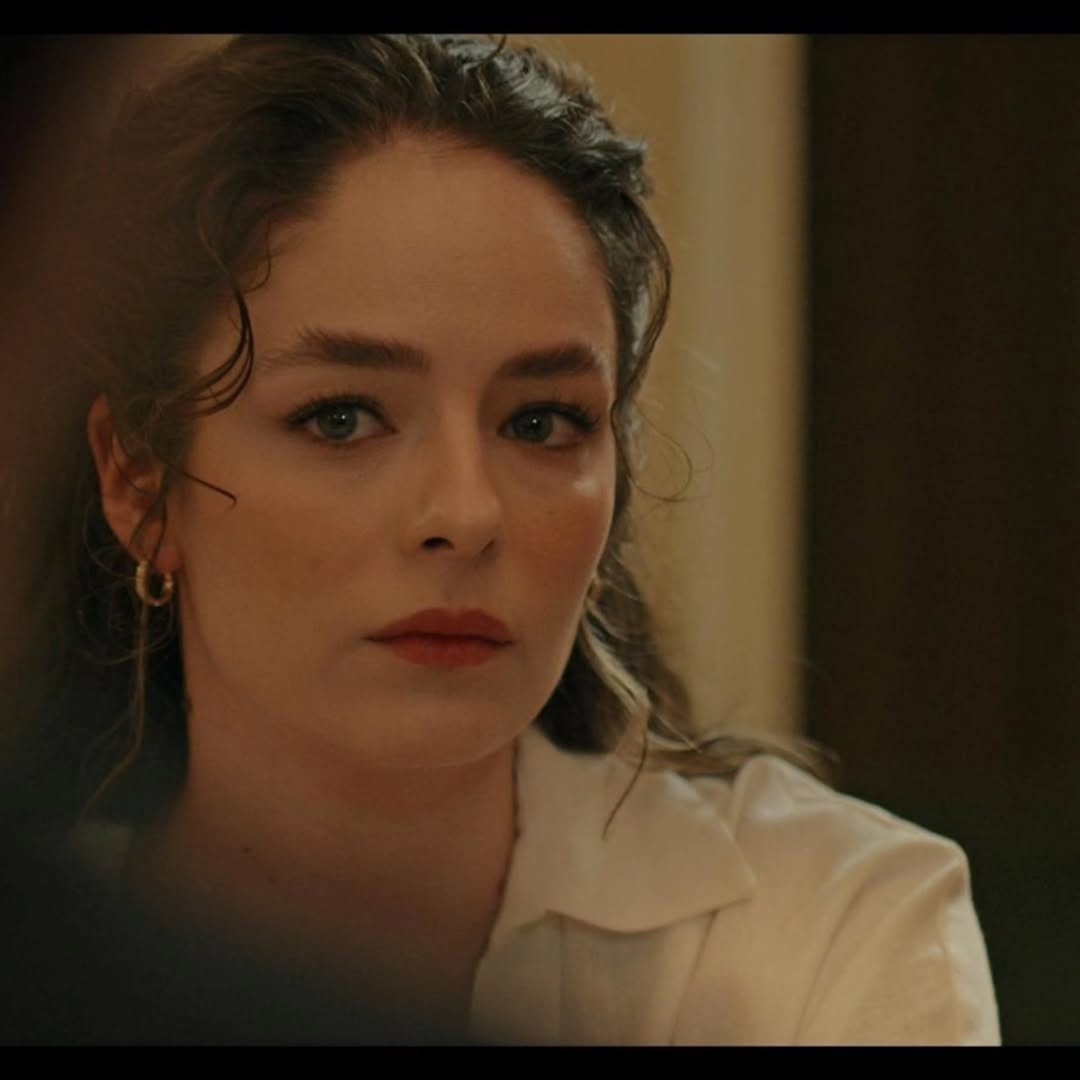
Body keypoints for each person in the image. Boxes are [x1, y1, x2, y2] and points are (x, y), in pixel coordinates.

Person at [0, 34, 999, 1044]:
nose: (467, 514)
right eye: (342, 418)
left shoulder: (829, 929)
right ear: (138, 481)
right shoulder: (40, 958)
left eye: (540, 422)